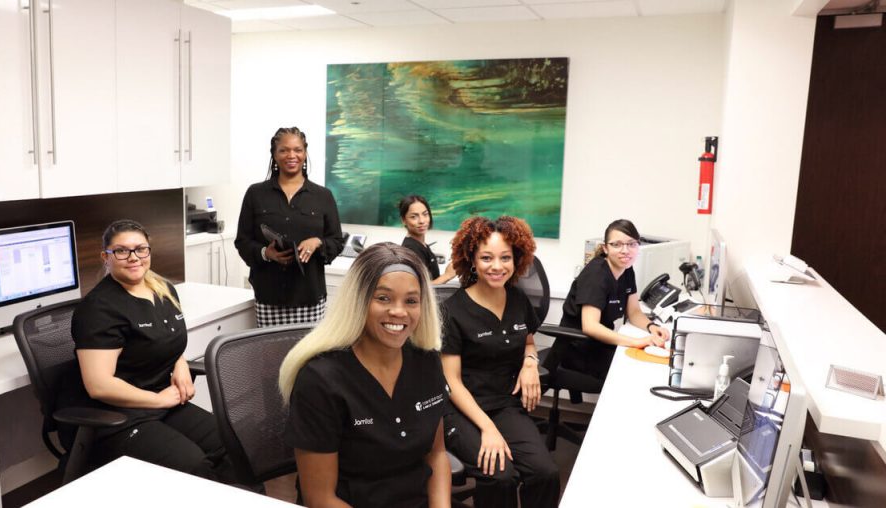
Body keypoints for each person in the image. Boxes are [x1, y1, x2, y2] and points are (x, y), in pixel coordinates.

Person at [279, 242, 451, 508]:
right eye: (383, 298)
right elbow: (320, 498)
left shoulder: (427, 361)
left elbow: (437, 454)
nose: (399, 311)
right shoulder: (320, 379)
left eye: (411, 301)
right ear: (359, 300)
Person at [59, 219, 232, 481]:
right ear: (105, 257)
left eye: (140, 249)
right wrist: (159, 400)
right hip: (117, 418)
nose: (133, 257)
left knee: (233, 446)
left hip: (162, 404)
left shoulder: (162, 289)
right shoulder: (98, 309)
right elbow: (99, 385)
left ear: (149, 251)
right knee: (195, 467)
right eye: (121, 250)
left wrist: (180, 364)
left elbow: (162, 341)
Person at [440, 216, 559, 508]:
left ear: (517, 259)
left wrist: (530, 363)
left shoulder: (518, 300)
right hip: (462, 409)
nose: (497, 266)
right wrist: (488, 429)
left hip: (505, 404)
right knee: (501, 475)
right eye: (486, 258)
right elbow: (451, 382)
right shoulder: (452, 311)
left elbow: (528, 341)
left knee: (546, 473)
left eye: (505, 257)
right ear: (471, 260)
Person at [235, 127, 344, 327]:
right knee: (271, 358)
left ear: (305, 153)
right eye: (284, 150)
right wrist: (265, 253)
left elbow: (337, 241)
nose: (291, 155)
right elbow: (242, 241)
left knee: (308, 357)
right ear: (274, 155)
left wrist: (318, 242)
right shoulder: (255, 194)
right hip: (269, 296)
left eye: (298, 150)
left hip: (309, 297)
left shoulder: (323, 196)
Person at [558, 219, 671, 381]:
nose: (625, 250)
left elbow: (634, 312)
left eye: (632, 244)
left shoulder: (626, 269)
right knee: (635, 372)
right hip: (578, 350)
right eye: (616, 244)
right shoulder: (596, 275)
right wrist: (635, 341)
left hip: (601, 345)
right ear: (605, 248)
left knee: (647, 364)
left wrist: (651, 327)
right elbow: (590, 326)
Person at [398, 195, 456, 285]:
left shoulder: (421, 244)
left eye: (425, 214)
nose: (421, 221)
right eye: (414, 217)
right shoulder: (411, 249)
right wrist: (447, 276)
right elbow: (418, 289)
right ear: (403, 220)